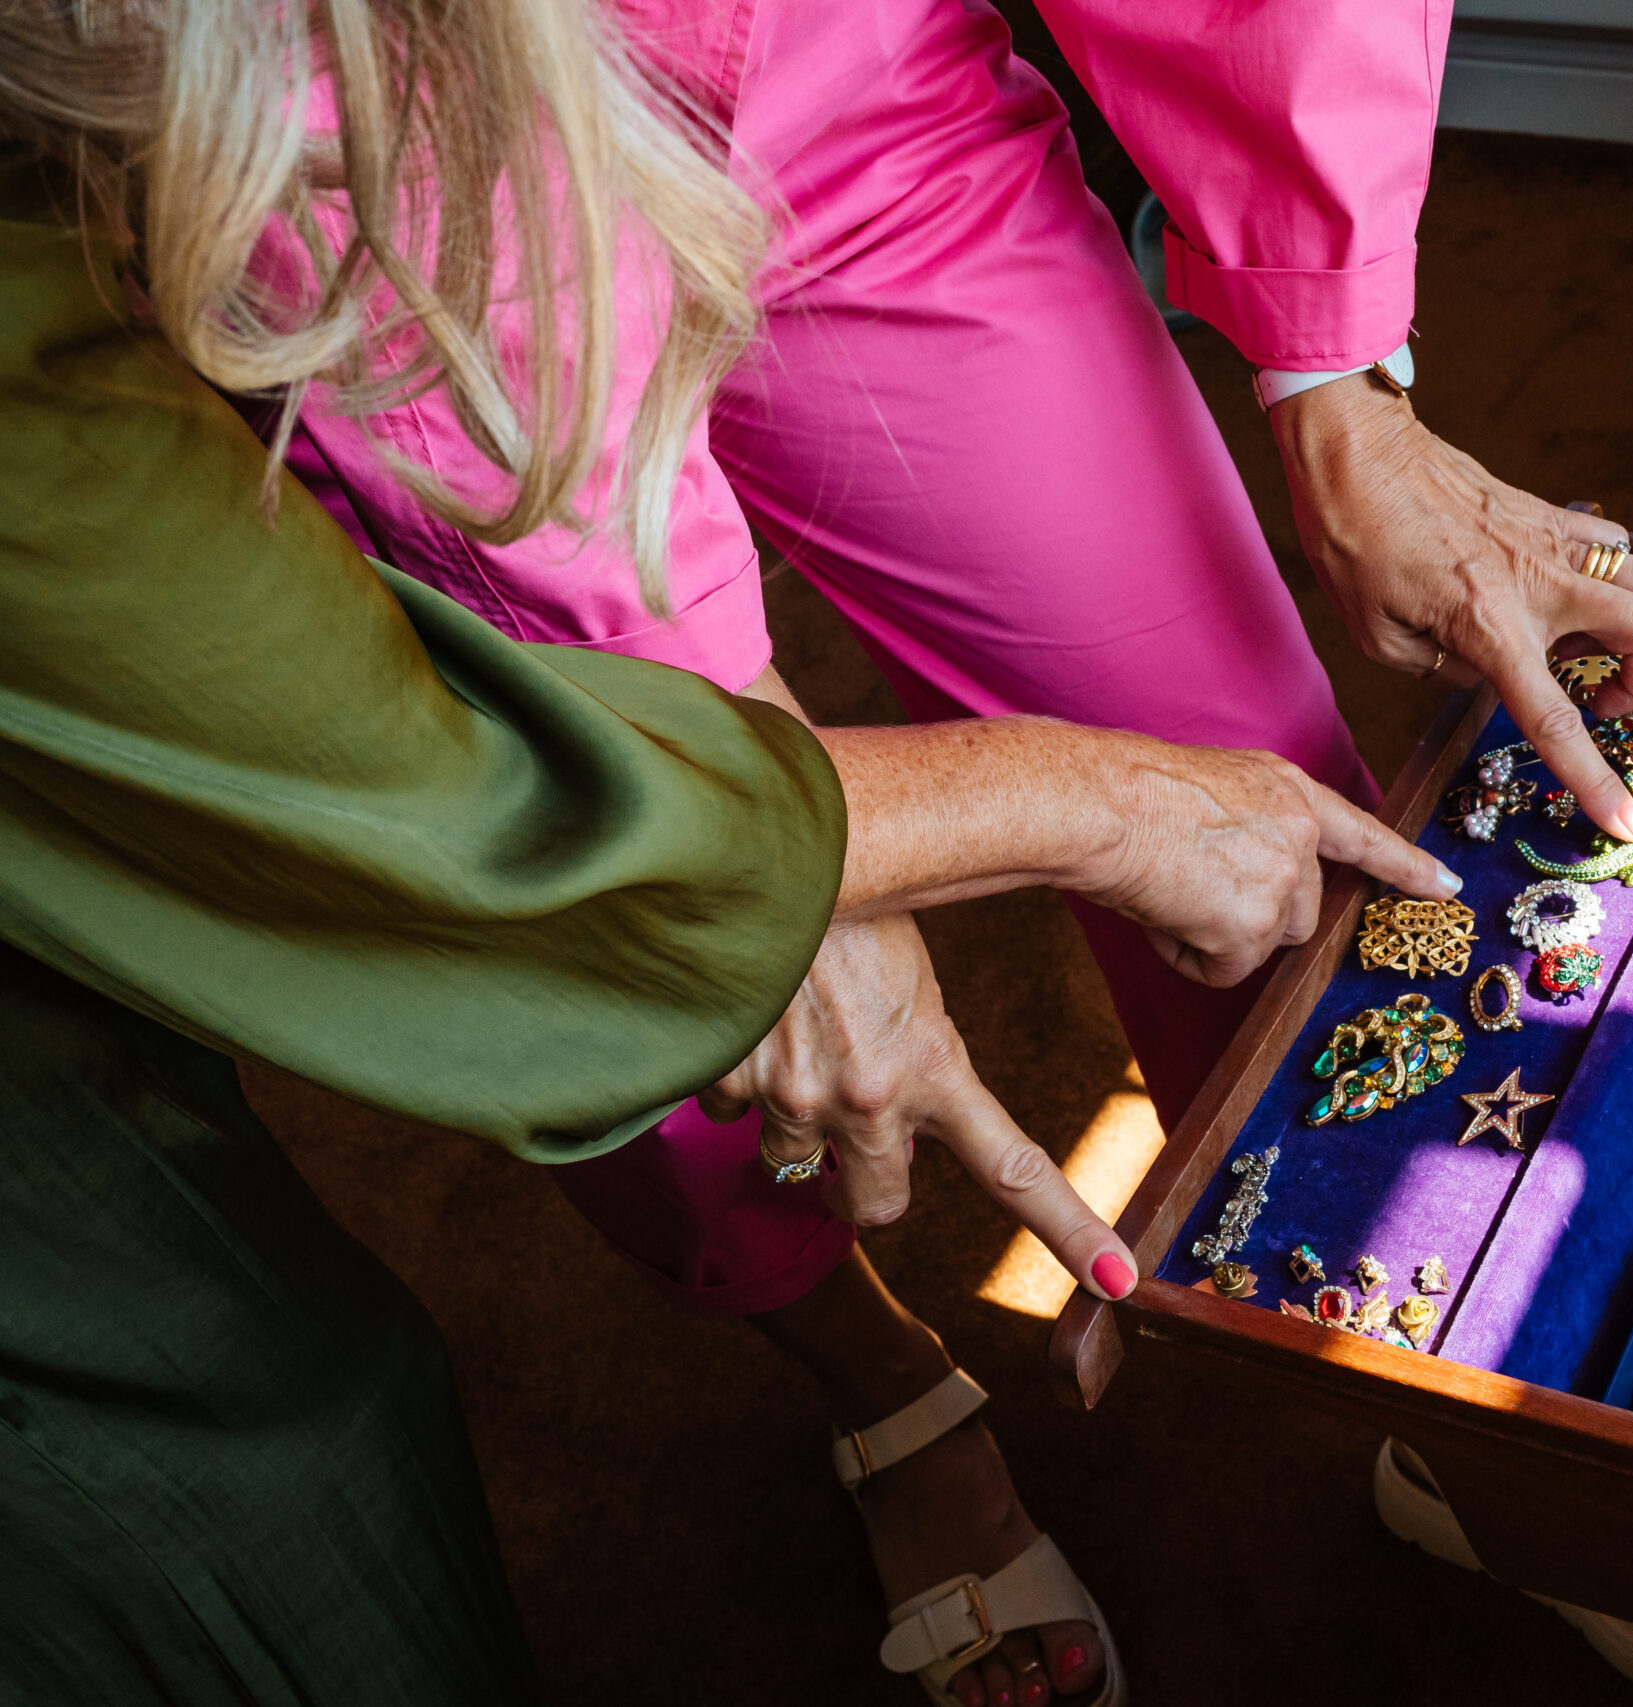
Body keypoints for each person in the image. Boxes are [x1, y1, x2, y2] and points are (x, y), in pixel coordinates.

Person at [0, 0, 1456, 1700]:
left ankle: (1419, 1344)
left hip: (833, 67)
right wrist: (771, 839)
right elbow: (490, 808)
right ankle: (872, 1376)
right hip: (366, 231)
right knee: (656, 999)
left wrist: (1333, 349)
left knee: (1243, 757)